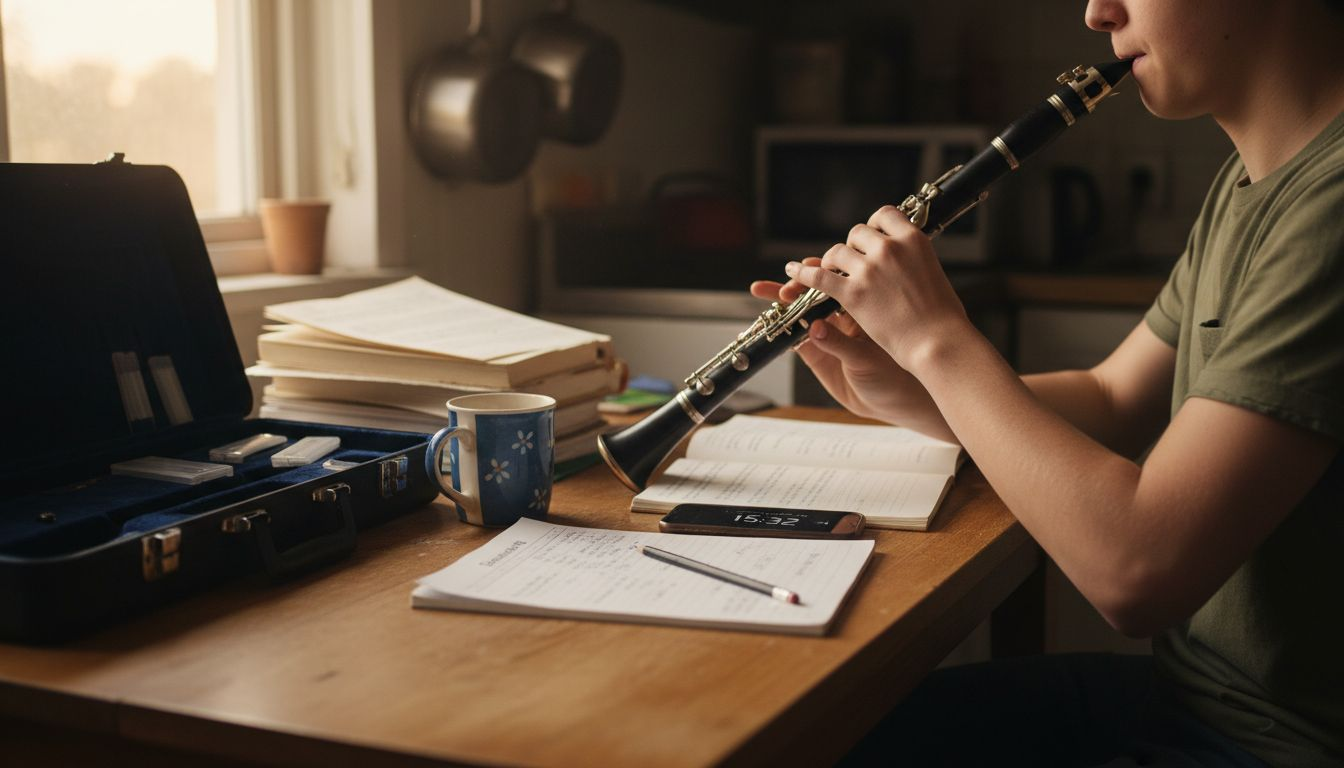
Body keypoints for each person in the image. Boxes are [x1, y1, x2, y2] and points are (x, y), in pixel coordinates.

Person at [751, 1, 1344, 765]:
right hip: (1191, 697)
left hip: (1273, 745)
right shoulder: (1252, 180)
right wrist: (894, 381)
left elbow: (1137, 570)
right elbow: (1110, 400)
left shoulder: (1331, 209)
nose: (1099, 12)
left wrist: (937, 341)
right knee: (816, 734)